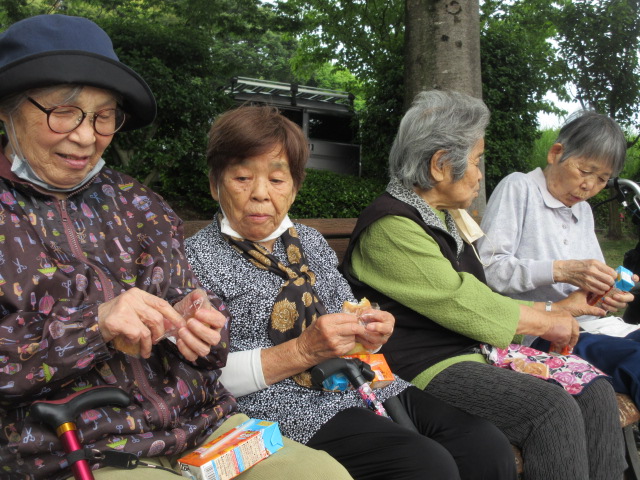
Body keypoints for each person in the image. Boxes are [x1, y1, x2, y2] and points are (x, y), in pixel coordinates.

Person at [0, 14, 352, 480]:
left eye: (104, 115)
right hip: (77, 447)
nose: (86, 135)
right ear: (7, 108)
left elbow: (200, 327)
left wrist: (203, 324)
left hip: (203, 426)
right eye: (63, 111)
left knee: (322, 475)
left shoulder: (139, 204)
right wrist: (96, 325)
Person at [184, 105, 517, 480]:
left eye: (277, 181)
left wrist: (369, 330)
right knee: (424, 464)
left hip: (354, 381)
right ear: (215, 183)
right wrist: (302, 350)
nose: (260, 194)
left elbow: (348, 314)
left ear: (294, 188)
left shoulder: (308, 241)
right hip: (272, 406)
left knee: (482, 443)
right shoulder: (195, 260)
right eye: (242, 178)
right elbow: (202, 377)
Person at [341, 90, 627, 480]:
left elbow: (480, 295)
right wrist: (548, 321)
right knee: (549, 407)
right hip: (423, 366)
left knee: (593, 391)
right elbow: (462, 301)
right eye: (476, 162)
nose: (479, 175)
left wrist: (561, 310)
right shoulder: (391, 227)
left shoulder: (444, 216)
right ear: (441, 165)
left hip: (476, 352)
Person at [477, 110, 640, 407]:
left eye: (602, 179)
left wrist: (608, 293)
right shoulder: (520, 188)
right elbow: (489, 269)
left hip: (593, 325)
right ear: (556, 153)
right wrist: (561, 270)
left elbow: (588, 286)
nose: (589, 186)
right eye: (585, 171)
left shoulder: (583, 210)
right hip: (544, 332)